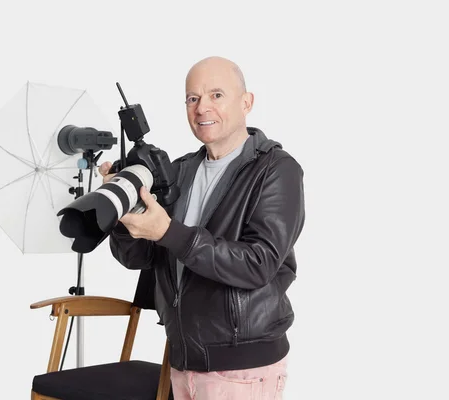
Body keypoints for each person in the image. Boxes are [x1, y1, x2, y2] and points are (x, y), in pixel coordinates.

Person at [99, 56, 305, 399]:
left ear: (246, 102)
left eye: (216, 95)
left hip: (243, 368)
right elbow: (139, 256)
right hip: (183, 361)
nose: (201, 107)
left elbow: (259, 263)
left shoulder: (276, 170)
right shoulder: (180, 172)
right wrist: (123, 209)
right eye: (192, 98)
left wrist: (169, 232)